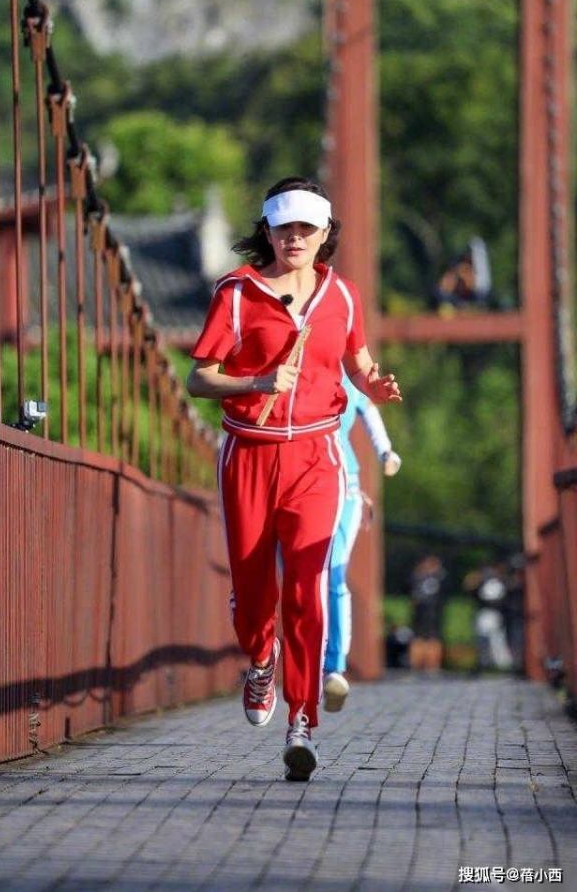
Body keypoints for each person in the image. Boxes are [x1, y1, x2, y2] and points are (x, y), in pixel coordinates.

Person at [187, 176, 402, 781]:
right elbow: (199, 378)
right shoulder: (237, 293)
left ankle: (301, 721)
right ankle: (261, 659)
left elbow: (359, 365)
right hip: (249, 455)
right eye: (284, 228)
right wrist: (255, 382)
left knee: (308, 587)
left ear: (325, 232)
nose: (295, 238)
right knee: (255, 596)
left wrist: (376, 386)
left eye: (307, 228)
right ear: (268, 230)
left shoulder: (344, 296)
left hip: (316, 457)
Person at [323, 373, 401, 712]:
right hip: (299, 483)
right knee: (300, 577)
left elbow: (368, 410)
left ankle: (334, 666)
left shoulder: (346, 375)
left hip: (345, 487)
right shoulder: (290, 367)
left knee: (333, 571)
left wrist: (386, 452)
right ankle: (302, 659)